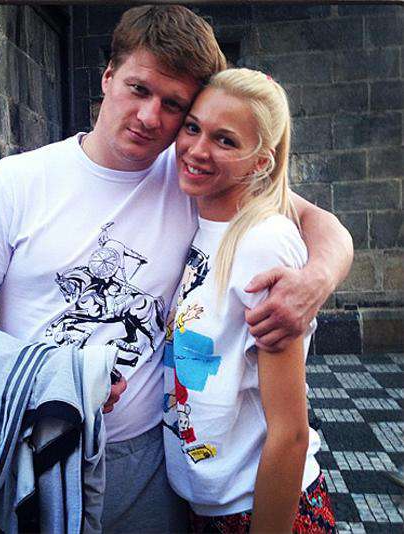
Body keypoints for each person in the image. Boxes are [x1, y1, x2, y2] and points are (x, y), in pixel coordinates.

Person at [0, 5, 351, 533]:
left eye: (173, 105)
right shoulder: (15, 182)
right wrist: (53, 379)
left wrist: (316, 280)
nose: (150, 116)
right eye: (139, 89)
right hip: (36, 444)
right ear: (108, 77)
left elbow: (314, 220)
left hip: (152, 462)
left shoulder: (194, 174)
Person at [163, 68, 336, 533]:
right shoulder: (201, 218)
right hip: (206, 504)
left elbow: (290, 433)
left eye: (225, 140)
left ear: (261, 162)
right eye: (193, 128)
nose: (197, 149)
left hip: (258, 506)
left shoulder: (263, 243)